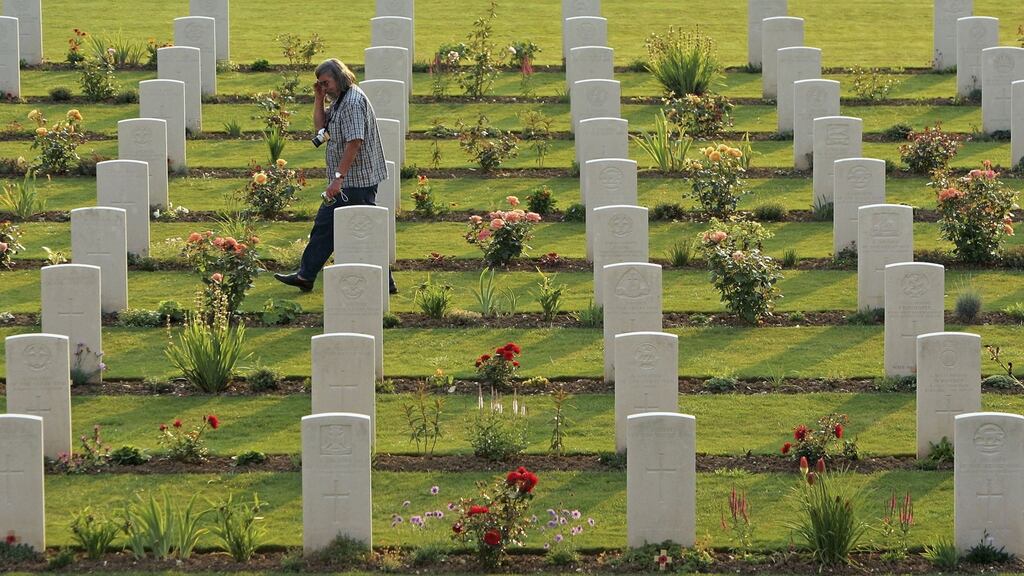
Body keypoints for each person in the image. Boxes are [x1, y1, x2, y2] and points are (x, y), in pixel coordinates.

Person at [274, 58, 397, 294]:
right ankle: (306, 275)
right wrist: (319, 99)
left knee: (357, 230)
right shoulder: (341, 98)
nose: (323, 87)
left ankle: (307, 275)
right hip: (351, 179)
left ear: (339, 77)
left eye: (326, 83)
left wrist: (338, 178)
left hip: (356, 180)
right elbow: (321, 129)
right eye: (319, 83)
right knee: (327, 227)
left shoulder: (351, 102)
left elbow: (354, 142)